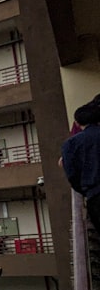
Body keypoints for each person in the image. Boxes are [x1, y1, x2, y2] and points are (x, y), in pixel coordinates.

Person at [62, 95, 100, 229]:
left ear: (77, 123)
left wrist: (85, 190)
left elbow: (72, 174)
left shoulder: (70, 144)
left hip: (94, 196)